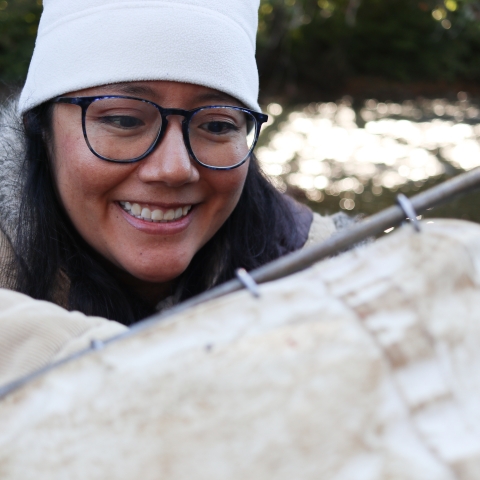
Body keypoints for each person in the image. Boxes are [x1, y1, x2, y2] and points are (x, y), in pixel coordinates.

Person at [0, 0, 344, 328]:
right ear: (40, 128)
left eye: (217, 126)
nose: (175, 169)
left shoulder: (336, 283)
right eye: (124, 120)